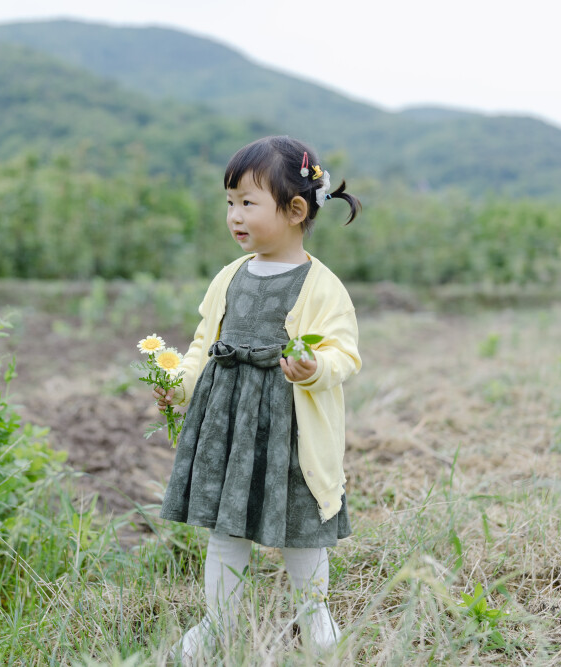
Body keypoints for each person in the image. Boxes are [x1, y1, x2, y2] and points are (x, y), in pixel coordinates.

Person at [153, 135, 362, 662]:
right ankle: (216, 625)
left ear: (295, 210)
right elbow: (206, 344)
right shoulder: (230, 276)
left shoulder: (322, 286)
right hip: (230, 424)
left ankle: (317, 624)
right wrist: (179, 384)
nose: (234, 216)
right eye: (229, 202)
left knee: (301, 533)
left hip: (290, 429)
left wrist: (315, 368)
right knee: (227, 528)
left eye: (248, 202)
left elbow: (345, 353)